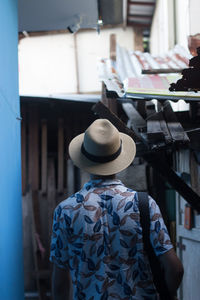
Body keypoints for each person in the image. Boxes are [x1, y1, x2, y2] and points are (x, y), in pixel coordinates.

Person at [50, 119, 183, 300]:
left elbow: (59, 286)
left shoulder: (65, 211)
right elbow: (175, 269)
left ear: (85, 160)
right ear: (118, 158)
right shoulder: (144, 204)